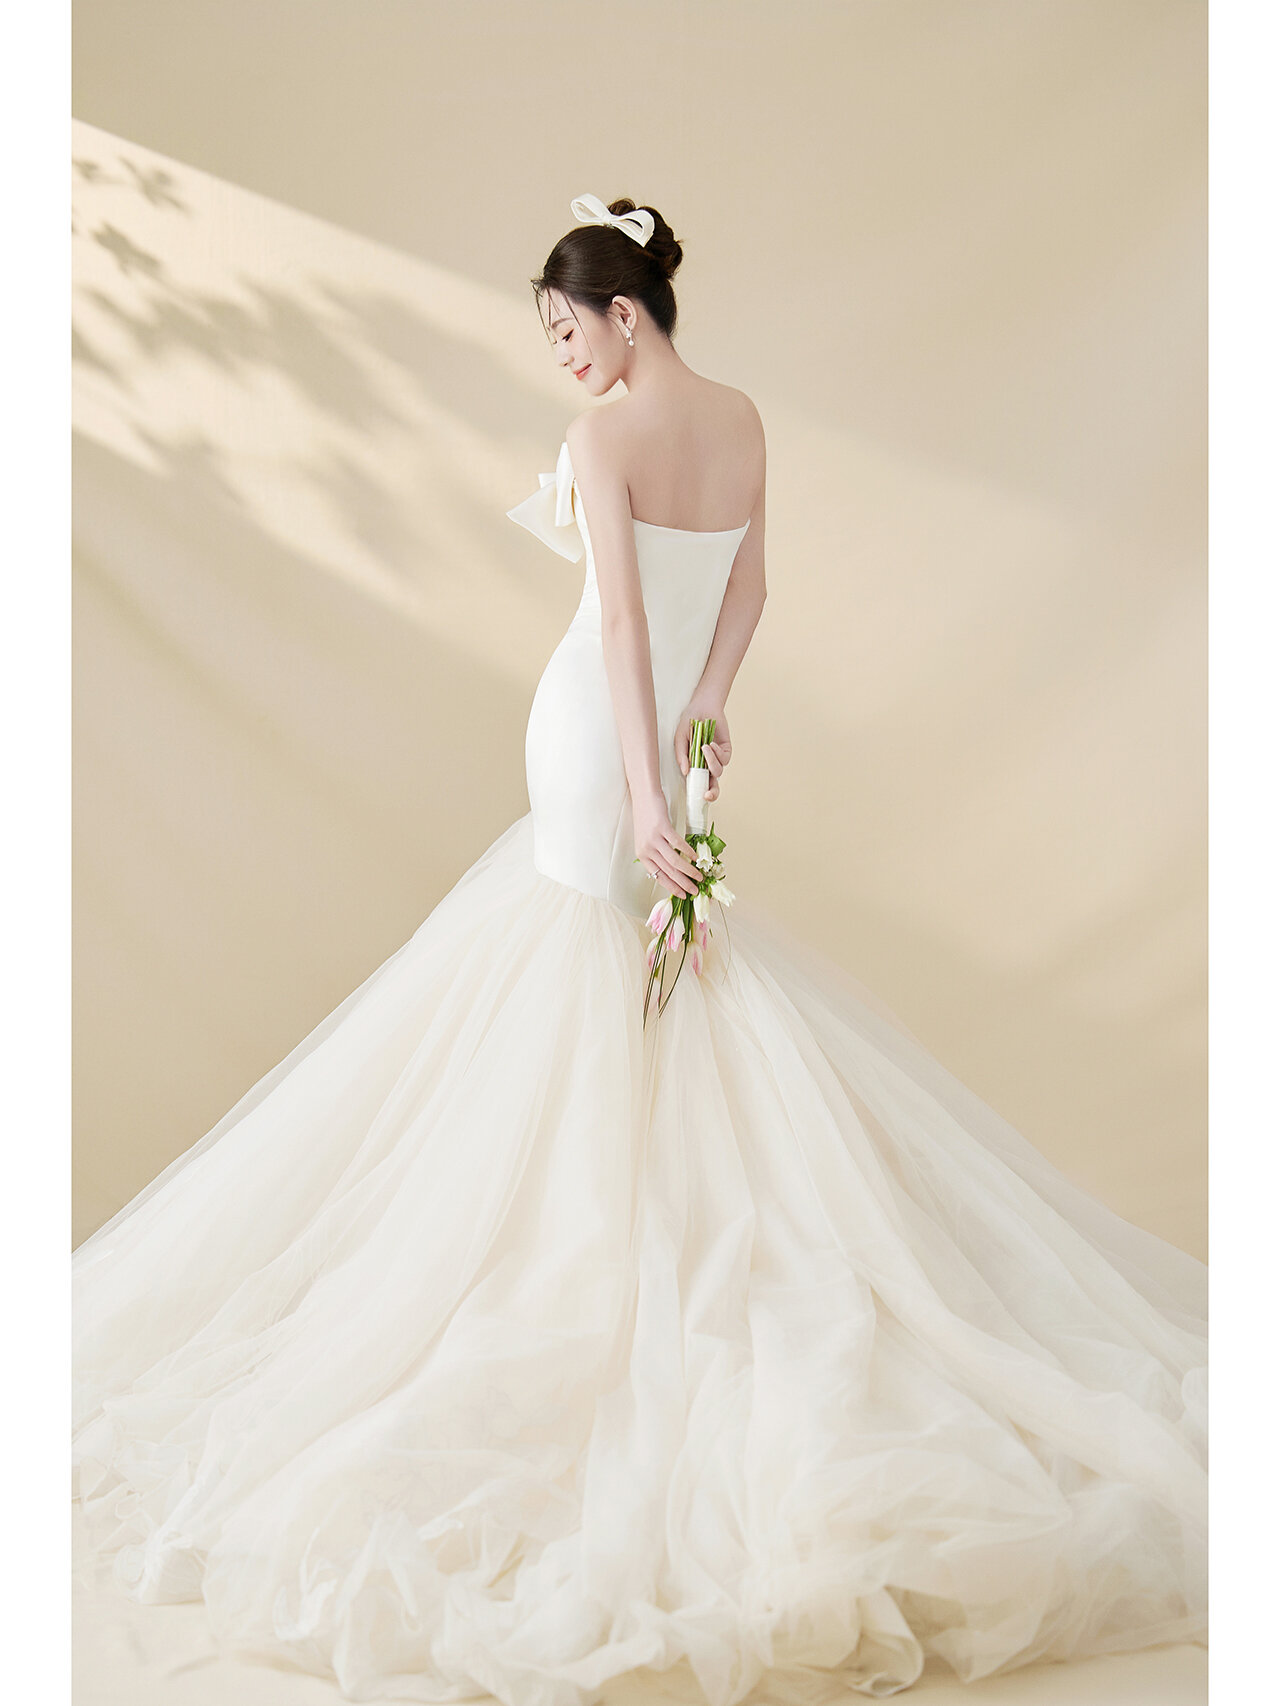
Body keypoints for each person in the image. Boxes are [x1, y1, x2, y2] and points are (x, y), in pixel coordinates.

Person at [72, 194, 1207, 1705]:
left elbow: (618, 623)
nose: (565, 361)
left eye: (567, 331)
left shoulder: (609, 437)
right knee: (642, 985)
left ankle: (586, 1258)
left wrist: (651, 788)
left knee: (594, 972)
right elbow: (748, 591)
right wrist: (704, 718)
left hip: (602, 742)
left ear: (626, 310)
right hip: (654, 737)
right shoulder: (740, 419)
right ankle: (621, 1245)